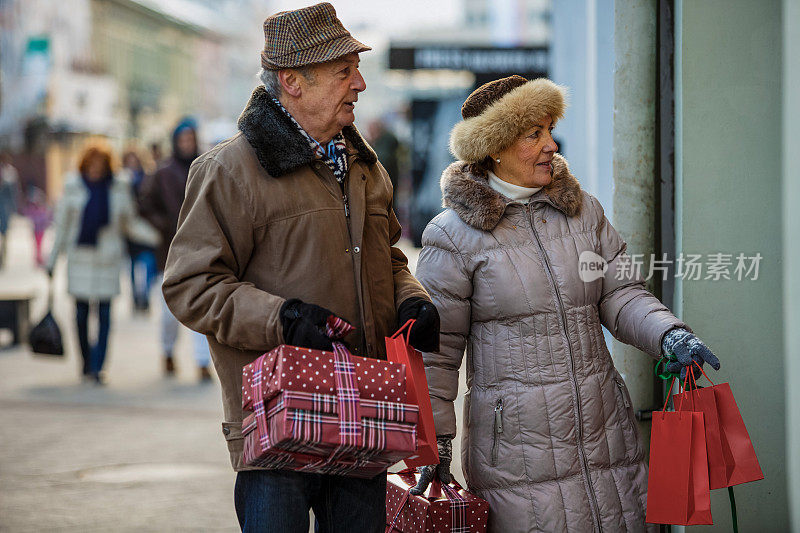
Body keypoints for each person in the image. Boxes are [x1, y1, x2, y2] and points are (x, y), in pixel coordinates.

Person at [161, 3, 439, 532]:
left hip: (365, 418)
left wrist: (411, 299)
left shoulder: (365, 166)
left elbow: (390, 258)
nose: (359, 83)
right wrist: (281, 317)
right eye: (343, 71)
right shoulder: (229, 170)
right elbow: (190, 285)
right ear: (292, 82)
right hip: (277, 429)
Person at [411, 76, 721, 532]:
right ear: (495, 146)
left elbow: (621, 294)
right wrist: (433, 439)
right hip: (517, 453)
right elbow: (436, 353)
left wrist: (669, 335)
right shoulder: (452, 235)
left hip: (605, 432)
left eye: (550, 130)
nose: (551, 145)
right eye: (533, 134)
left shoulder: (584, 212)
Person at [47, 145, 158, 384]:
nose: (95, 169)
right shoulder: (72, 187)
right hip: (81, 260)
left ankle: (98, 366)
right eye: (91, 164)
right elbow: (62, 227)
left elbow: (130, 223)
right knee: (80, 315)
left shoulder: (118, 188)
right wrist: (52, 259)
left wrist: (159, 238)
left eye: (100, 164)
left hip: (107, 261)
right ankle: (86, 362)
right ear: (85, 165)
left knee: (106, 315)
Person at [140, 119, 213, 381]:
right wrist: (163, 226)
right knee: (169, 314)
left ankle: (203, 363)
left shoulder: (206, 166)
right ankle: (168, 352)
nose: (186, 144)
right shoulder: (162, 172)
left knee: (201, 309)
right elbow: (145, 206)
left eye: (190, 139)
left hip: (202, 250)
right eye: (182, 140)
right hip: (168, 252)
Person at [122, 149, 157, 312]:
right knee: (132, 266)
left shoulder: (147, 177)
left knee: (149, 264)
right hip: (129, 231)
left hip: (145, 229)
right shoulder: (120, 181)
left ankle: (145, 295)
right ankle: (136, 298)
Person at [23, 185, 51, 267]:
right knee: (37, 244)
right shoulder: (36, 209)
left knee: (38, 244)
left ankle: (38, 257)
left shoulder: (41, 209)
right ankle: (38, 258)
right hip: (37, 229)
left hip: (39, 229)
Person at [0, 152, 19, 267]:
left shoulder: (10, 173)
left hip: (5, 207)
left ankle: (3, 255)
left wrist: (14, 208)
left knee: (5, 232)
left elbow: (14, 192)